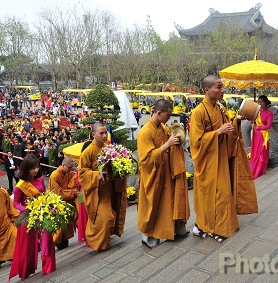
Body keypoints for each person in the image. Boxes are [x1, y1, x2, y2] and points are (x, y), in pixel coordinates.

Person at [189, 75, 258, 243]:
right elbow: (196, 142)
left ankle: (205, 227)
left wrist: (236, 122)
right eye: (218, 87)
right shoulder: (198, 112)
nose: (222, 90)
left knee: (223, 194)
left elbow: (229, 132)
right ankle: (210, 227)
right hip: (208, 162)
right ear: (207, 90)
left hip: (222, 158)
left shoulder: (221, 108)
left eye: (222, 87)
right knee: (212, 195)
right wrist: (217, 132)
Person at [137, 99, 190, 248]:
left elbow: (172, 140)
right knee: (153, 205)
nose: (169, 117)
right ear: (159, 113)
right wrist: (167, 144)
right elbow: (145, 159)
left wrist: (177, 139)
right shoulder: (145, 132)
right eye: (168, 115)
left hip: (167, 171)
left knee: (171, 200)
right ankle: (149, 237)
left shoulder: (163, 128)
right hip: (153, 174)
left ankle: (176, 228)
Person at [78, 122, 127, 251]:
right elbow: (82, 174)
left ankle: (105, 240)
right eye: (101, 133)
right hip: (97, 192)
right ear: (93, 134)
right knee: (105, 217)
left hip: (109, 187)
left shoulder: (108, 148)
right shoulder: (88, 152)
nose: (105, 135)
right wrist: (96, 175)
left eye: (105, 132)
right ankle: (97, 243)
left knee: (112, 213)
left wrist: (122, 167)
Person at [9, 155, 56, 280]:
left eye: (37, 167)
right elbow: (16, 203)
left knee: (47, 240)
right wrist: (27, 209)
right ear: (26, 169)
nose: (35, 170)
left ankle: (49, 266)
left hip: (43, 213)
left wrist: (51, 205)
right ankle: (26, 270)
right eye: (32, 168)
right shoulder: (20, 186)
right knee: (27, 246)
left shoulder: (40, 179)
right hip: (27, 217)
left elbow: (44, 194)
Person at [48, 156, 79, 250]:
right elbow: (58, 192)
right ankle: (56, 242)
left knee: (68, 222)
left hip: (67, 201)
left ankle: (64, 241)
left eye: (71, 168)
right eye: (69, 168)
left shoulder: (69, 173)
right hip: (57, 203)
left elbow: (74, 178)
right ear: (63, 165)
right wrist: (72, 193)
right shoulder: (54, 175)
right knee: (60, 224)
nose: (70, 170)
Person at [249, 95, 274, 179]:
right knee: (255, 152)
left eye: (261, 102)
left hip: (263, 136)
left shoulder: (269, 113)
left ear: (265, 102)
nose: (259, 104)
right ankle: (252, 167)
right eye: (258, 102)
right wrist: (252, 118)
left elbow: (268, 126)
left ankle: (259, 170)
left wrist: (258, 127)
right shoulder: (257, 111)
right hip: (256, 135)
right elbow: (252, 121)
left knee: (261, 153)